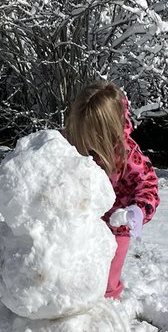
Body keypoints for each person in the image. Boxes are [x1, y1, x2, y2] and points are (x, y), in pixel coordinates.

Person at [64, 81, 159, 299]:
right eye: (82, 131)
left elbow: (147, 184)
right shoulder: (68, 142)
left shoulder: (126, 153)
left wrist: (137, 211)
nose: (86, 140)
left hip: (115, 227)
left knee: (104, 280)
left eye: (93, 134)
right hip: (79, 222)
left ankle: (107, 309)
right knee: (73, 273)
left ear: (108, 130)